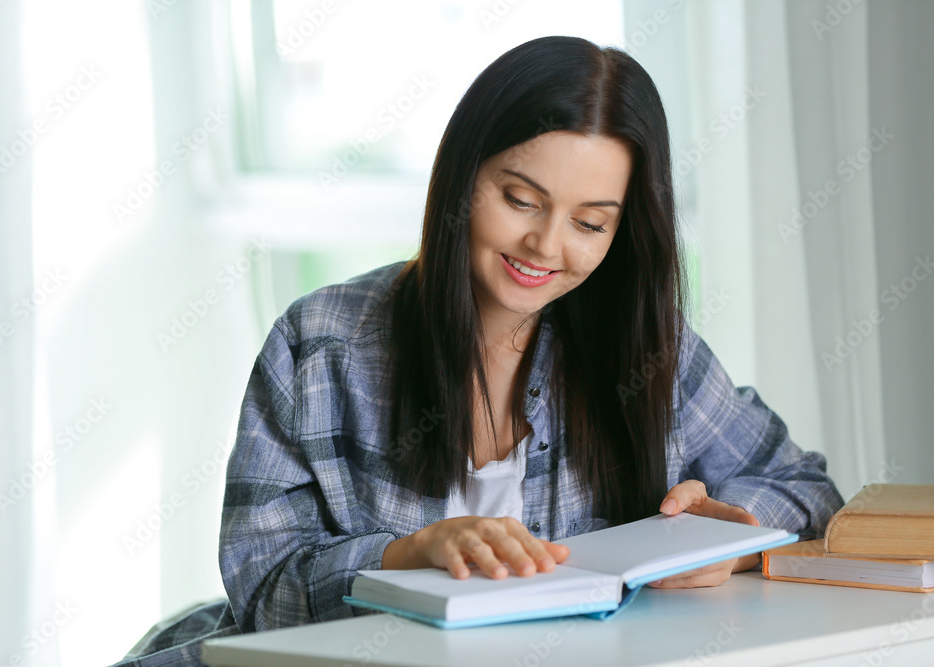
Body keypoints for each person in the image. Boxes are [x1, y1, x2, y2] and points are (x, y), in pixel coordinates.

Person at [112, 35, 844, 666]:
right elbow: (263, 588)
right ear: (463, 176)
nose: (545, 246)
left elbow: (811, 491)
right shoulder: (322, 346)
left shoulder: (648, 349)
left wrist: (733, 536)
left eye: (590, 223)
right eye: (521, 200)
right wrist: (408, 553)